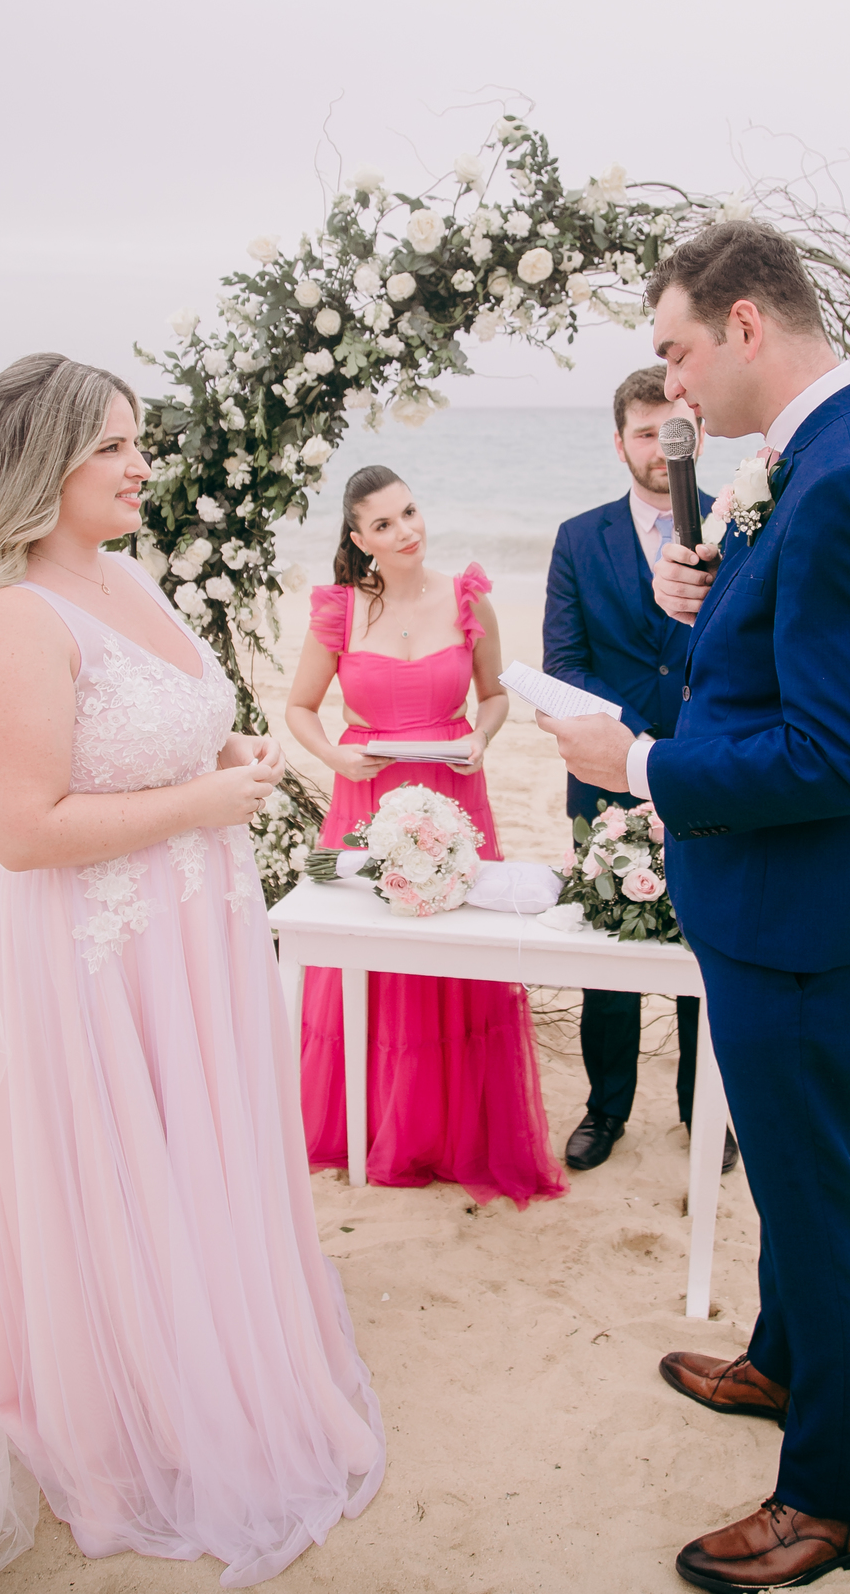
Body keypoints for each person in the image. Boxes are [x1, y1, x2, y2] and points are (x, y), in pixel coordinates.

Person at [537, 223, 850, 1588]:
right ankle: (782, 1360)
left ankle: (833, 1502)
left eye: (675, 351)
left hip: (807, 917)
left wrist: (640, 765)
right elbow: (789, 665)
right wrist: (704, 605)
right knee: (784, 1169)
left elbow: (841, 756)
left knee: (817, 1199)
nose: (670, 387)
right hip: (775, 902)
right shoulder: (815, 457)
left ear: (747, 326)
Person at [0, 355, 385, 1588]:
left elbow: (153, 735)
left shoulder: (125, 576)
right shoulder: (7, 619)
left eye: (139, 440)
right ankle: (135, 1411)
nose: (141, 466)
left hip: (196, 941)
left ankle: (223, 1362)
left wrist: (225, 754)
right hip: (102, 951)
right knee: (126, 1162)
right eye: (112, 447)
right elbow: (22, 829)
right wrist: (204, 802)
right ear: (43, 464)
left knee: (200, 1151)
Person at [286, 465, 568, 1209]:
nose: (406, 531)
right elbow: (300, 708)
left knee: (456, 949)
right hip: (365, 797)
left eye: (409, 512)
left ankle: (450, 1132)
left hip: (454, 794)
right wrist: (335, 757)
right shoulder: (339, 611)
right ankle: (370, 1121)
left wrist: (481, 737)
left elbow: (495, 696)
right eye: (384, 524)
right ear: (360, 540)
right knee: (370, 949)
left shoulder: (468, 597)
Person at [542, 366, 736, 1175]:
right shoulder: (578, 538)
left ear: (698, 434)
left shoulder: (740, 527)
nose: (660, 447)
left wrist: (673, 754)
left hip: (707, 774)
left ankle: (703, 1111)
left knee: (704, 944)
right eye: (644, 432)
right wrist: (629, 746)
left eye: (672, 431)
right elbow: (564, 662)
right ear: (619, 442)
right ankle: (606, 1107)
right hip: (603, 779)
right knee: (607, 948)